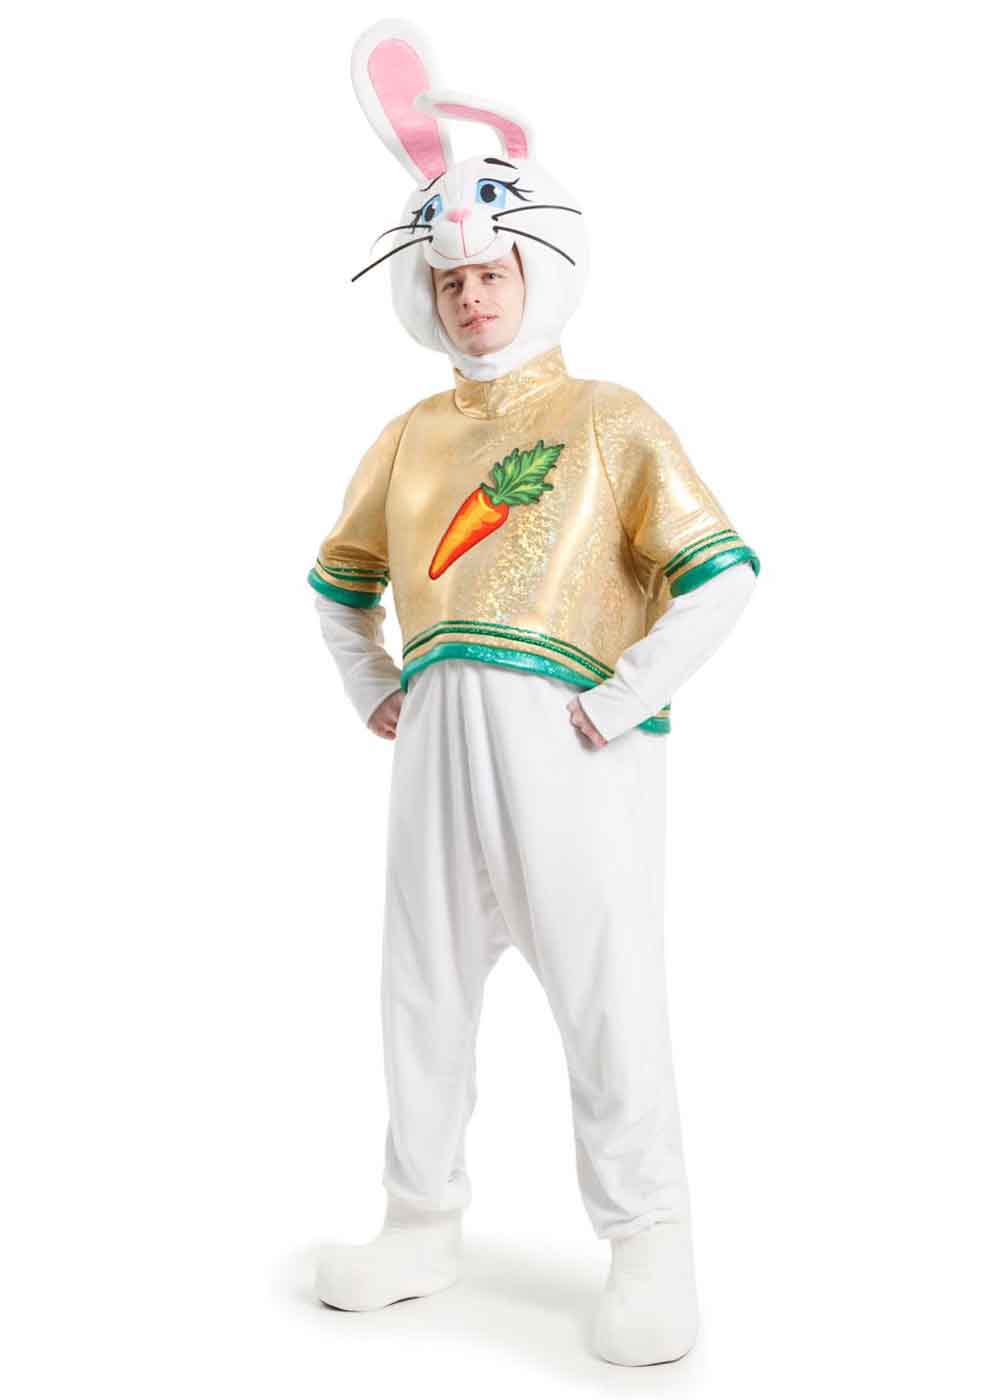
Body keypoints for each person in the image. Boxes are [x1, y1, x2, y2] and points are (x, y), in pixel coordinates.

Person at [308, 19, 760, 1368]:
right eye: (450, 281)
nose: (472, 299)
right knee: (421, 982)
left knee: (606, 986)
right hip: (438, 741)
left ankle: (651, 1242)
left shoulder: (611, 420)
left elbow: (722, 573)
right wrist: (374, 683)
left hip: (569, 743)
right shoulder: (409, 438)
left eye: (491, 273)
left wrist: (621, 700)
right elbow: (338, 581)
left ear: (536, 269)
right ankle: (420, 1219)